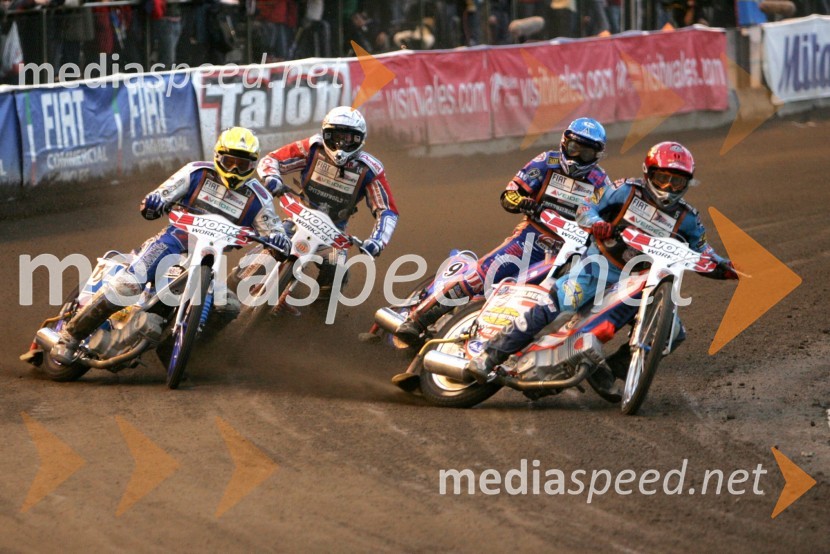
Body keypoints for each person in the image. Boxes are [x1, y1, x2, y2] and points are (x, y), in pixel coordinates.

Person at [473, 142, 739, 399]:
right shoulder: (625, 190)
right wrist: (597, 223)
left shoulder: (688, 218)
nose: (668, 187)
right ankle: (491, 354)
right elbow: (588, 207)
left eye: (676, 182)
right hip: (600, 265)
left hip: (642, 282)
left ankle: (608, 372)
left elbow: (703, 252)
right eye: (662, 178)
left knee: (672, 332)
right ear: (648, 173)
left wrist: (727, 267)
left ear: (687, 183)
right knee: (559, 303)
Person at [51, 127, 291, 364]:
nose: (235, 169)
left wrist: (279, 240)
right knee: (127, 285)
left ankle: (181, 351)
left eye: (243, 164)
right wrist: (156, 201)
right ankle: (69, 337)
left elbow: (274, 230)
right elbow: (161, 194)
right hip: (174, 241)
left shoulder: (259, 196)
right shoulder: (197, 172)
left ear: (253, 164)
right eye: (229, 161)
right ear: (218, 156)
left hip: (212, 259)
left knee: (227, 307)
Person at [394, 117, 612, 348]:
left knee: (558, 303)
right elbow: (510, 193)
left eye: (585, 153)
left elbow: (610, 222)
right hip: (532, 237)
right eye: (574, 148)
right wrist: (524, 202)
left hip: (570, 252)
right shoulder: (547, 162)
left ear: (596, 155)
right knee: (482, 274)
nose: (577, 156)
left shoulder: (601, 183)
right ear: (565, 143)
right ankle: (416, 321)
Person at [257, 106, 398, 295]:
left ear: (359, 139)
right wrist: (271, 177)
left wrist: (377, 241)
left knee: (336, 273)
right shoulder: (312, 148)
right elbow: (272, 159)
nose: (341, 143)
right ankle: (236, 280)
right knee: (271, 247)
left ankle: (317, 318)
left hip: (334, 232)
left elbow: (387, 210)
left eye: (348, 138)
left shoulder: (369, 169)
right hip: (298, 216)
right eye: (336, 136)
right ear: (325, 134)